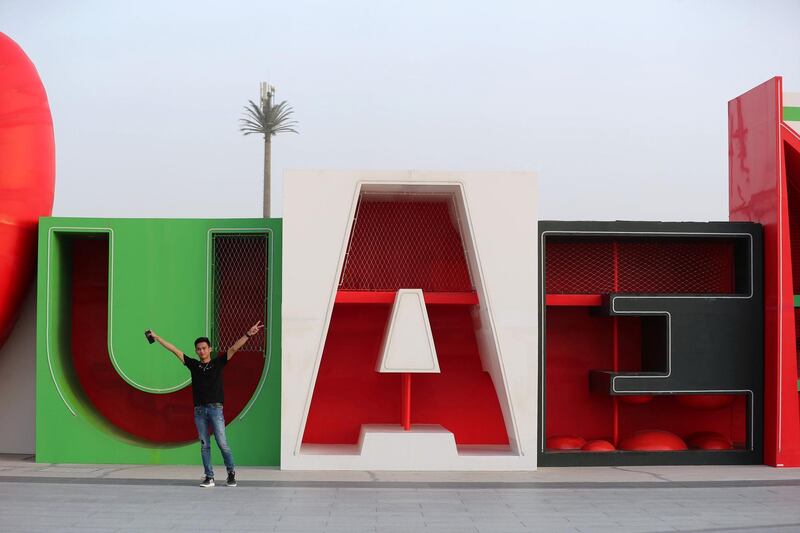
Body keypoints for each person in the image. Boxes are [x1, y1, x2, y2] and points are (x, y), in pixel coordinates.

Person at [148, 321, 264, 487]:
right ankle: (209, 477)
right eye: (198, 349)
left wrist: (248, 334)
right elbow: (175, 350)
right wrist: (157, 338)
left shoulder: (218, 363)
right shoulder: (194, 365)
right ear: (196, 351)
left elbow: (233, 348)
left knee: (222, 443)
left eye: (204, 348)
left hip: (216, 410)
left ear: (209, 349)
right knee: (204, 445)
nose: (201, 351)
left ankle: (231, 473)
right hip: (200, 411)